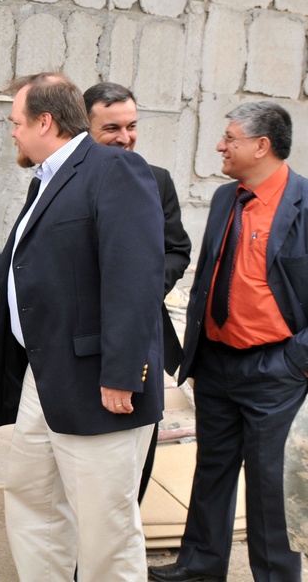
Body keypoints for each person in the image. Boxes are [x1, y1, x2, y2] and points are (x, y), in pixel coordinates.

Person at [0, 73, 165, 581]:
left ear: (44, 121)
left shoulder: (117, 170)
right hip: (42, 377)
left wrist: (120, 373)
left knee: (105, 530)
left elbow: (134, 278)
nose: (12, 134)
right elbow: (28, 269)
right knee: (35, 504)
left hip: (99, 386)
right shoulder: (45, 181)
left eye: (16, 123)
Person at [149, 102, 308, 582]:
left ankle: (276, 576)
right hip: (217, 361)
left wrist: (297, 362)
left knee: (269, 483)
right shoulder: (226, 198)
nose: (220, 145)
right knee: (212, 467)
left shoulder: (303, 203)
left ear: (261, 146)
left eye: (230, 138)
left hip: (275, 370)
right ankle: (200, 565)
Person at [83, 82, 191, 502]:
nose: (125, 138)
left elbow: (177, 251)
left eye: (131, 126)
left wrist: (138, 286)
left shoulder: (157, 180)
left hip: (142, 337)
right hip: (77, 341)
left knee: (133, 456)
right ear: (84, 127)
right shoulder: (64, 181)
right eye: (111, 128)